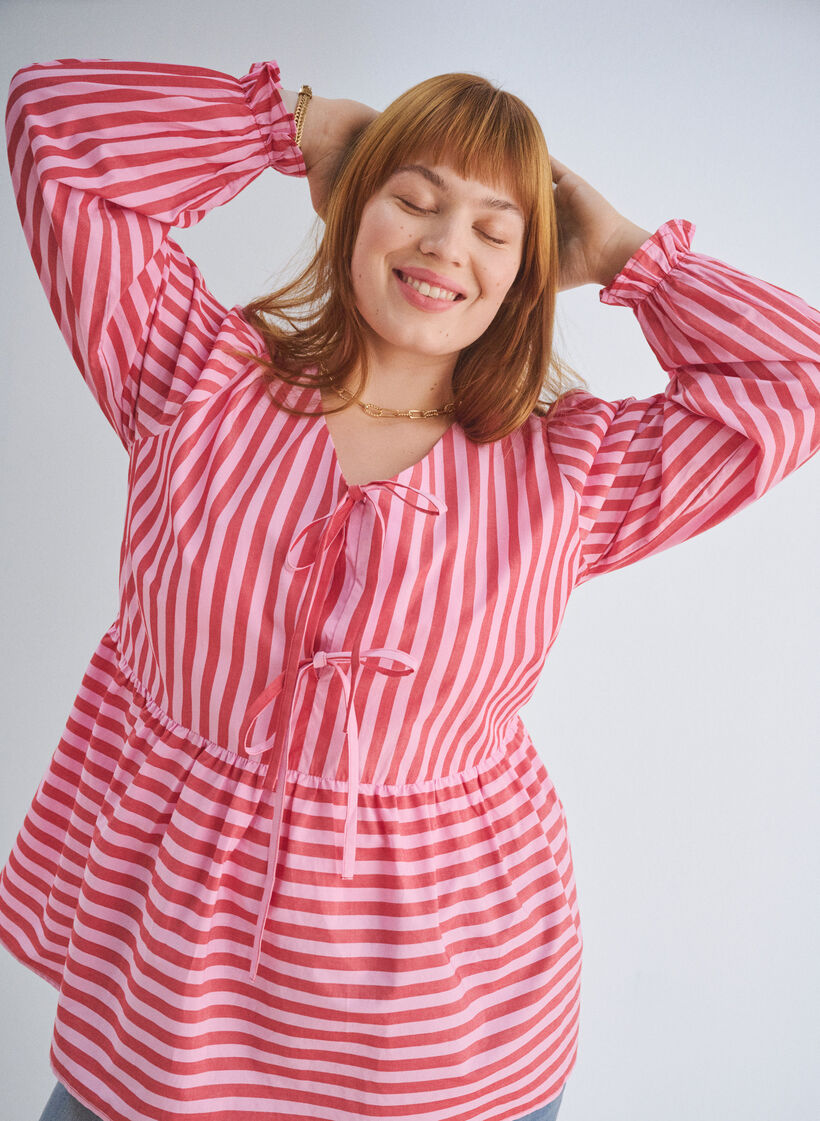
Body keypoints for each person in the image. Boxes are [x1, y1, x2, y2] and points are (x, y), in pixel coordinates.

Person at [2, 55, 817, 1121]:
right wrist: (294, 126)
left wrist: (627, 257)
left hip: (448, 1022)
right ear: (353, 204)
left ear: (531, 270)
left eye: (494, 229)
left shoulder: (572, 474)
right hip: (170, 995)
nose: (444, 245)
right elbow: (53, 129)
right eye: (415, 198)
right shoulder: (191, 379)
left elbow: (794, 380)